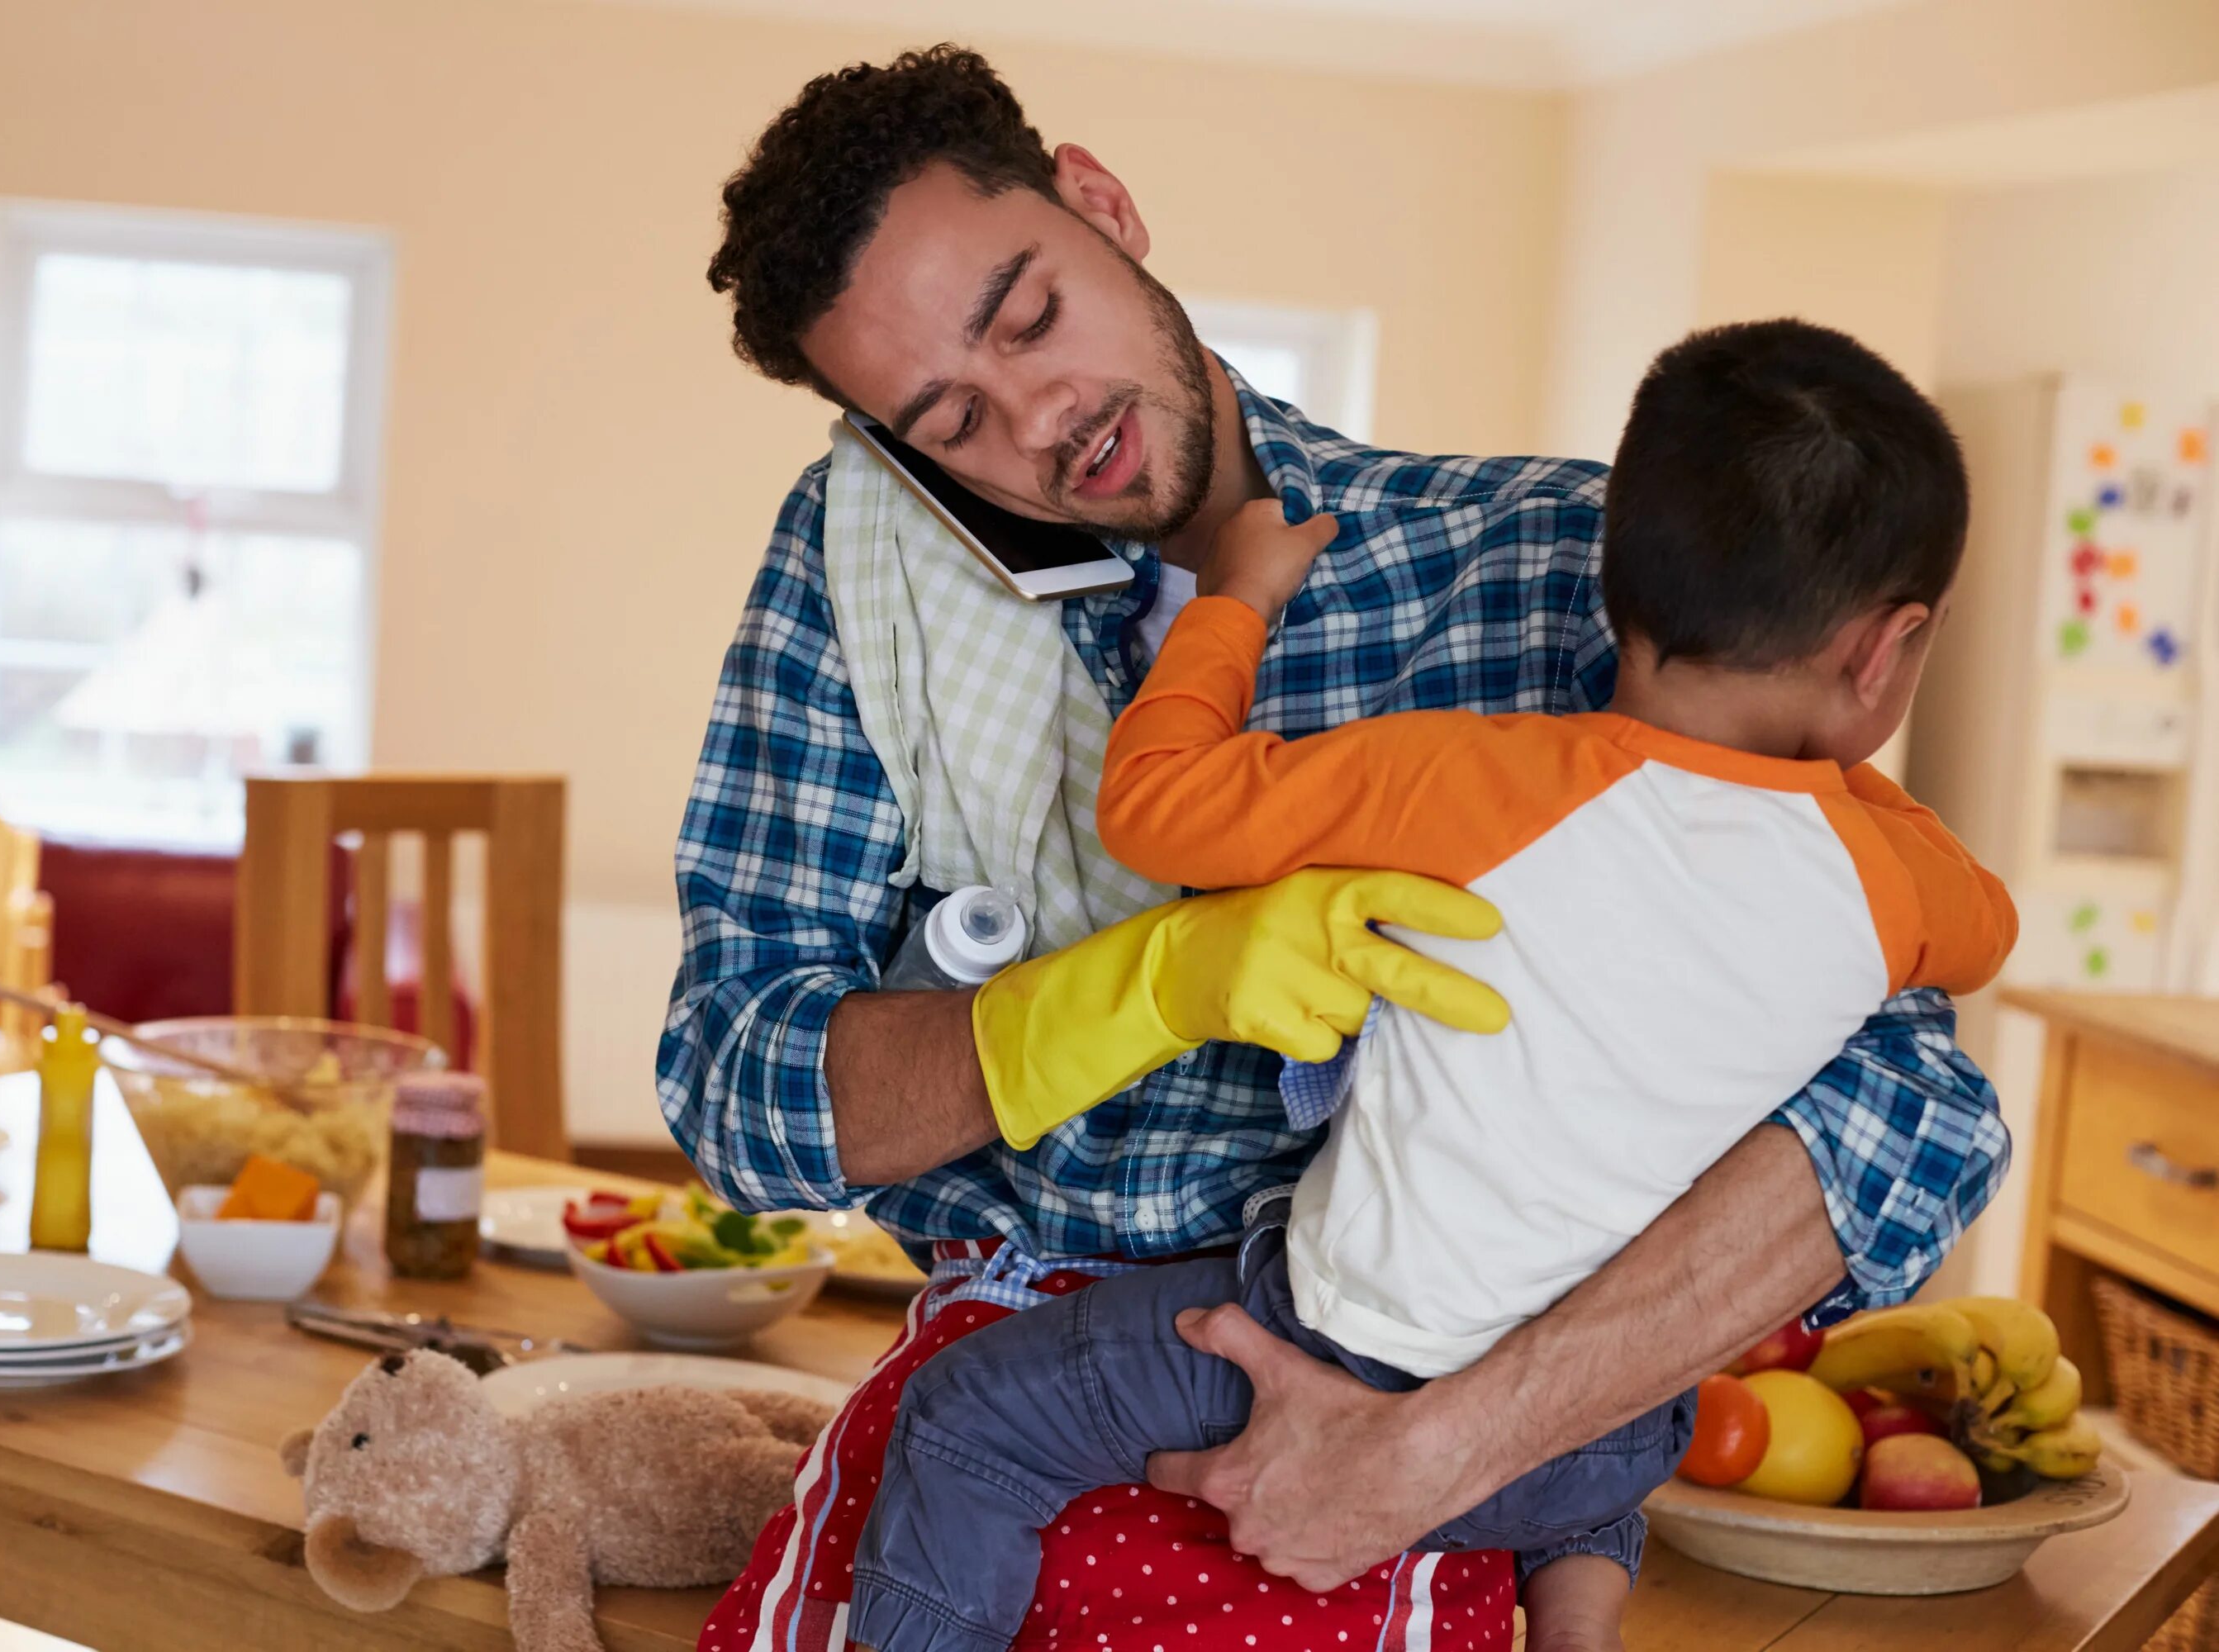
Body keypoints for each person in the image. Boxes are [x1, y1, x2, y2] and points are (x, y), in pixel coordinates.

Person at [661, 45, 2008, 1652]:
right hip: (1030, 1389)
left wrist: (1438, 1446)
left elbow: (1907, 1110)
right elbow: (736, 1086)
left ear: (1102, 201)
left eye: (1031, 315)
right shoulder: (875, 585)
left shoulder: (1545, 572)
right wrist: (1132, 991)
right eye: (949, 415)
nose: (1040, 418)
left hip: (1438, 1427)